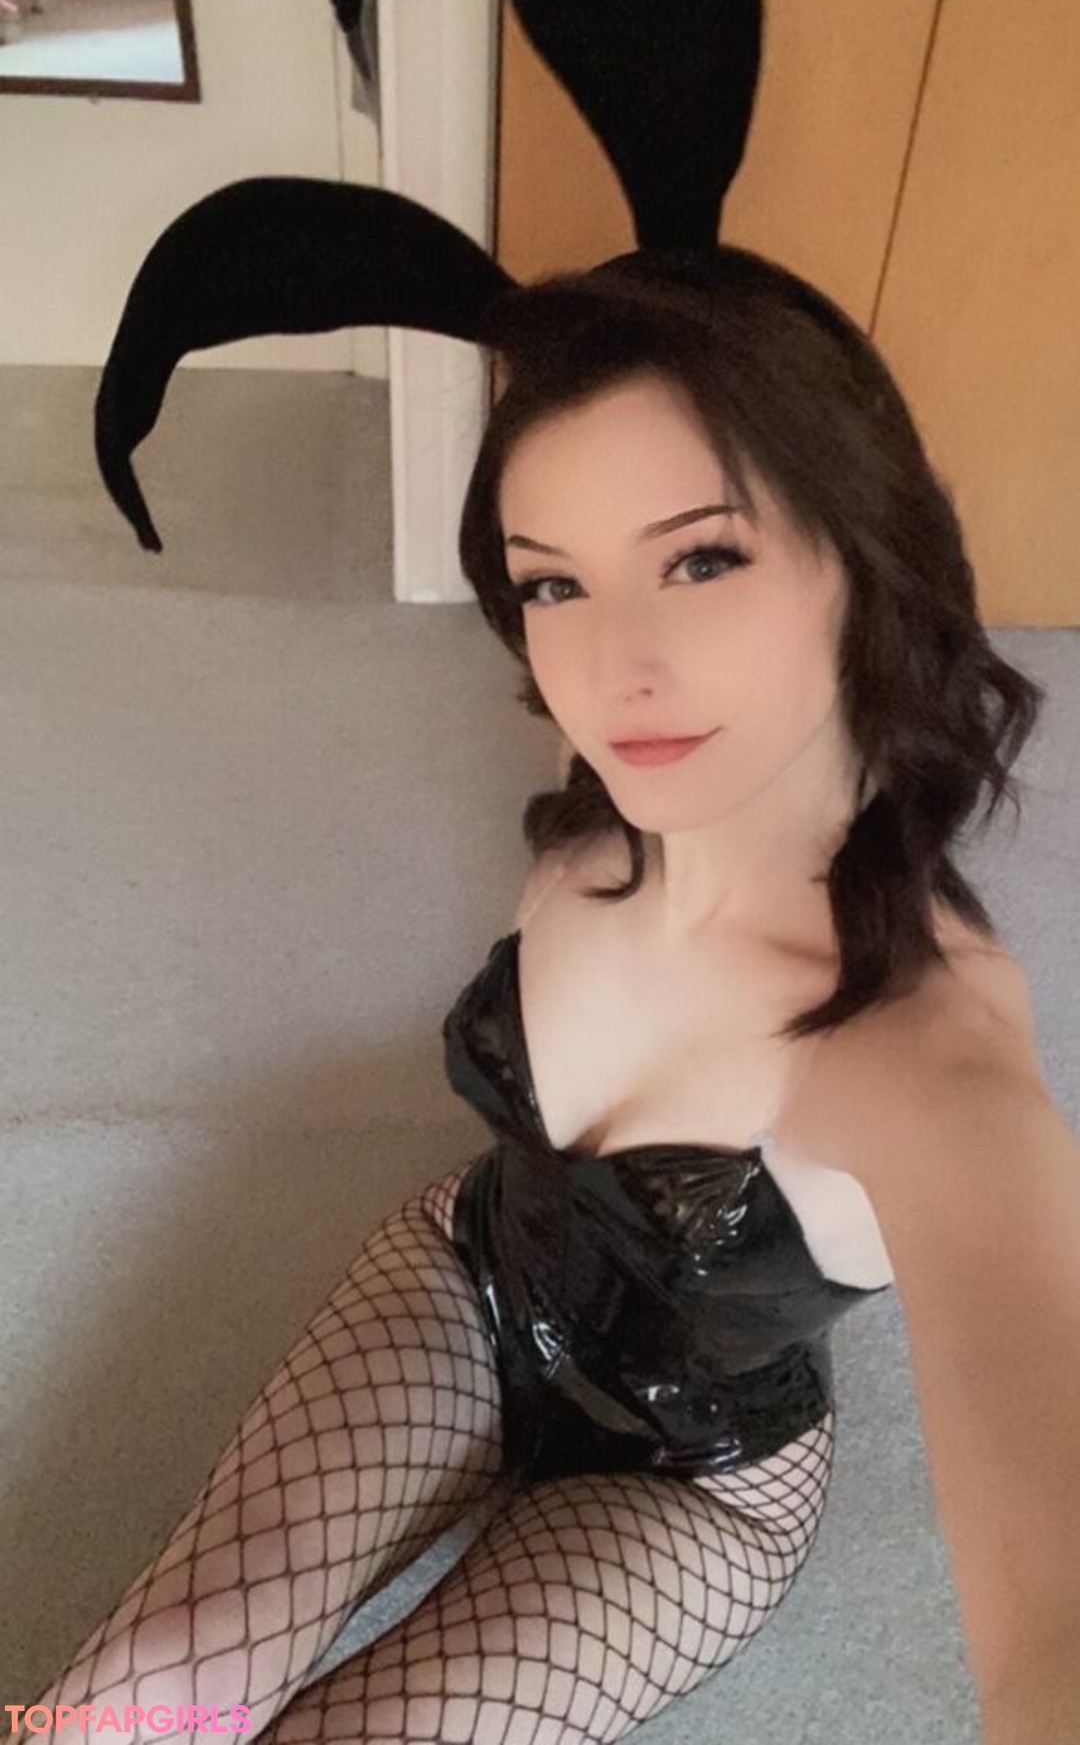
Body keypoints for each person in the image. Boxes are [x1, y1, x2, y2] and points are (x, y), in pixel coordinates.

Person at [12, 244, 1078, 1745]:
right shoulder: (599, 811)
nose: (613, 663)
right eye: (553, 581)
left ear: (865, 546)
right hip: (463, 1277)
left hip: (697, 1487)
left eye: (701, 559)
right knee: (124, 1698)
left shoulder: (924, 1049)